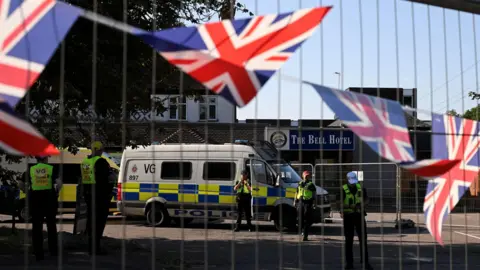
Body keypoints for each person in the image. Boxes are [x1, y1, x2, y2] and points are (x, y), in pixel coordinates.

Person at [81, 141, 114, 255]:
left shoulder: (85, 161)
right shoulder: (101, 162)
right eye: (101, 150)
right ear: (99, 150)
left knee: (91, 222)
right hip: (100, 196)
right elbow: (108, 178)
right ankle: (96, 248)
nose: (101, 152)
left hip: (88, 195)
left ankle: (91, 247)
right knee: (99, 223)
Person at [27, 156, 62, 261]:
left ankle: (38, 253)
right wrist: (56, 192)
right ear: (46, 159)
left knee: (36, 227)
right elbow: (59, 183)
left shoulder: (31, 169)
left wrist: (27, 191)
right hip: (49, 200)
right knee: (51, 225)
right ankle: (53, 251)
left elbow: (20, 183)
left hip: (35, 200)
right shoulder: (51, 168)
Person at [341, 171, 373, 270]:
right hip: (348, 217)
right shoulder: (343, 189)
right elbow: (339, 204)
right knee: (349, 240)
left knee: (363, 240)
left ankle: (365, 262)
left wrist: (362, 204)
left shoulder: (361, 188)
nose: (353, 183)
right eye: (351, 181)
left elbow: (367, 199)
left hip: (359, 216)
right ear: (347, 180)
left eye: (354, 181)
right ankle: (349, 263)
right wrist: (350, 206)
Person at [294, 170, 316, 241]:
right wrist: (294, 201)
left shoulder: (311, 184)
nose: (307, 177)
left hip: (307, 203)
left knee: (306, 219)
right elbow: (296, 192)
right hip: (300, 202)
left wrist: (314, 203)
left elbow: (314, 194)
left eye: (308, 175)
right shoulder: (300, 183)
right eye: (305, 175)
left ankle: (305, 236)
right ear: (302, 176)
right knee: (300, 219)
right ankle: (302, 230)